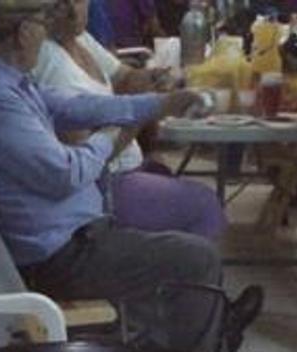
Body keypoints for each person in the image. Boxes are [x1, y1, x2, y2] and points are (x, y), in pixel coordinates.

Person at [0, 0, 247, 352]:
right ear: (24, 33)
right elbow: (67, 173)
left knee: (183, 256)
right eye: (41, 24)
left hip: (77, 237)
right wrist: (112, 134)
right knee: (197, 258)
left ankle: (186, 348)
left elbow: (72, 106)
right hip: (59, 259)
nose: (45, 34)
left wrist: (160, 104)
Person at [33, 0, 228, 240]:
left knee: (170, 180)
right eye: (62, 3)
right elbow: (86, 160)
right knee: (204, 205)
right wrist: (145, 111)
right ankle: (184, 272)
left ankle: (173, 269)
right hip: (102, 185)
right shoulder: (50, 61)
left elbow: (124, 77)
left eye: (79, 0)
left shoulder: (80, 39)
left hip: (127, 167)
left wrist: (154, 77)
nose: (75, 11)